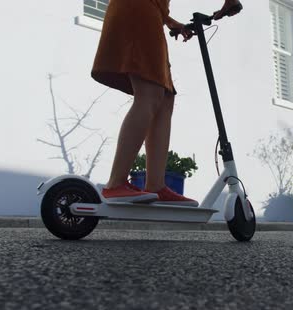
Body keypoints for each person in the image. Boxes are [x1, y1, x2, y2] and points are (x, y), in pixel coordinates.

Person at [91, 0, 243, 205]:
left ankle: (156, 185)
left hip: (149, 13)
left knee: (164, 98)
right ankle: (115, 184)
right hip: (140, 10)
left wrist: (169, 20)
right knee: (149, 95)